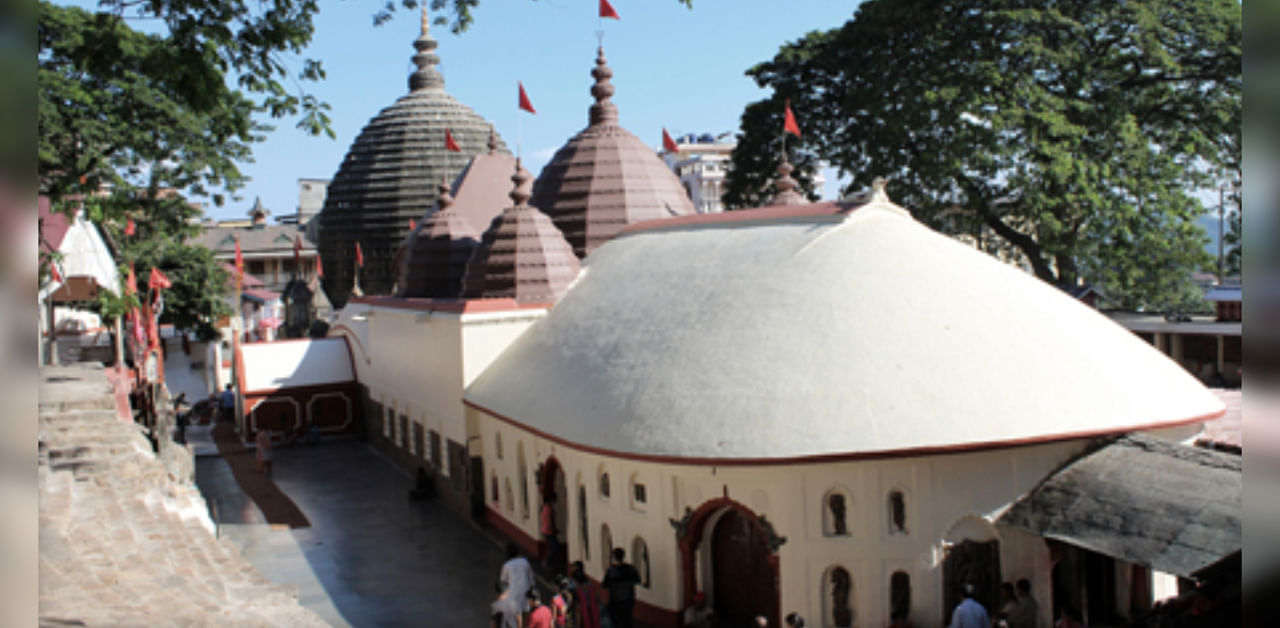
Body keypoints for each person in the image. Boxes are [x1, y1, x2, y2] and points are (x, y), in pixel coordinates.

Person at [602, 547, 641, 628]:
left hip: (615, 601)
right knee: (627, 622)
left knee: (615, 623)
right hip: (628, 600)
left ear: (614, 557)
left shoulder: (611, 571)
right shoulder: (631, 569)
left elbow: (604, 585)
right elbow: (637, 580)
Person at [500, 543, 535, 612]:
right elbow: (531, 578)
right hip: (525, 592)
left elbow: (503, 580)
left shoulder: (507, 565)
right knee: (525, 611)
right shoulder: (525, 562)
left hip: (513, 594)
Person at [572, 560, 602, 628]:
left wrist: (578, 625)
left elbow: (578, 611)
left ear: (577, 581)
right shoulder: (592, 588)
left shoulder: (577, 592)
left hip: (585, 620)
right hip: (594, 618)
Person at [540, 494, 560, 567]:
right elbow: (549, 521)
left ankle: (550, 561)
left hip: (546, 530)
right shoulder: (549, 509)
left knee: (553, 547)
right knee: (555, 547)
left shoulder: (545, 508)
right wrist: (553, 529)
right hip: (549, 531)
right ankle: (547, 561)